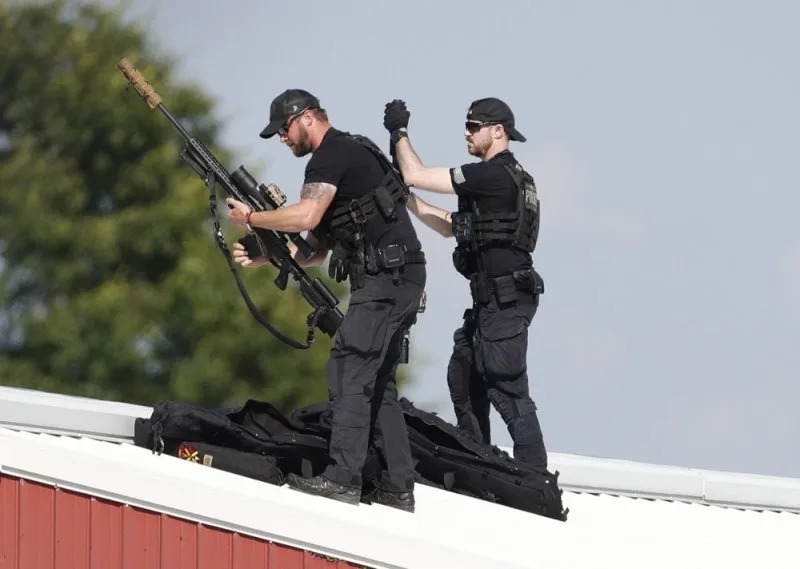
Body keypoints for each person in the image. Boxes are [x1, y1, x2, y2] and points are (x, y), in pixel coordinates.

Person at [227, 89, 426, 512]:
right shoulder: (347, 154)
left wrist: (251, 217)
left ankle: (343, 479)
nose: (282, 138)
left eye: (284, 129)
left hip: (386, 278)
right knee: (378, 382)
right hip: (395, 275)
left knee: (349, 366)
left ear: (307, 119)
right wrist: (265, 253)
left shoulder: (331, 155)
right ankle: (396, 485)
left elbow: (305, 216)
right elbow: (313, 248)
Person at [382, 97, 548, 469]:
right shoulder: (502, 181)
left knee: (506, 389)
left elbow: (415, 172)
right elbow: (448, 226)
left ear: (498, 131)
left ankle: (535, 480)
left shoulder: (492, 175)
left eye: (474, 126)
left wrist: (399, 132)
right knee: (464, 375)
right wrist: (406, 199)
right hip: (494, 302)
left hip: (504, 300)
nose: (466, 132)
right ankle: (480, 464)